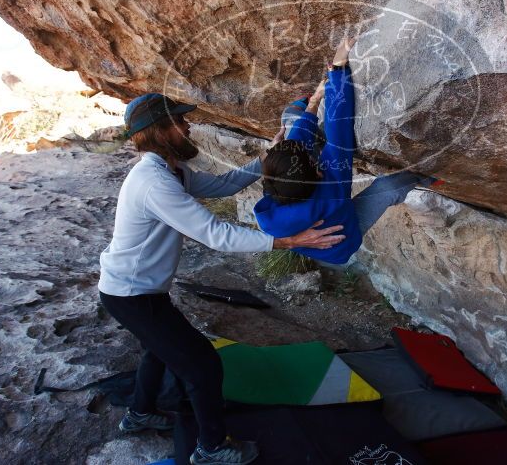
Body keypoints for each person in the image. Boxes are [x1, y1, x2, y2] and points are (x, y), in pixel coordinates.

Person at [98, 93, 346, 465]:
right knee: (201, 364)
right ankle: (211, 448)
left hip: (136, 290)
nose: (187, 125)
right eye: (179, 121)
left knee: (159, 350)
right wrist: (289, 240)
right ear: (160, 131)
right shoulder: (154, 183)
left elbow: (224, 185)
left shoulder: (169, 170)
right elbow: (217, 235)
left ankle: (139, 414)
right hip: (131, 294)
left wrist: (264, 159)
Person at [255, 37, 437, 265]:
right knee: (389, 186)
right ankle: (427, 175)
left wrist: (315, 101)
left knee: (291, 126)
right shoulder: (333, 181)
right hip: (344, 236)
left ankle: (296, 112)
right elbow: (339, 124)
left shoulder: (271, 206)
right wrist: (337, 70)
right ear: (319, 172)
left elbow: (297, 147)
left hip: (318, 212)